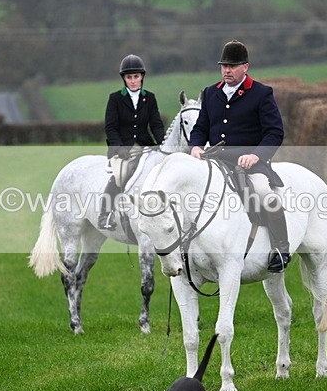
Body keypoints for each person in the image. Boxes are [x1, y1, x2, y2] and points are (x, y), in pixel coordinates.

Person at [188, 40, 290, 272]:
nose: (227, 70)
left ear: (245, 67)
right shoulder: (210, 93)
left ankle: (281, 249)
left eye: (232, 66)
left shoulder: (261, 93)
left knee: (265, 193)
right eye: (224, 66)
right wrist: (195, 147)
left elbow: (275, 133)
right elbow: (200, 129)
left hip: (250, 164)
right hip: (216, 162)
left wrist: (256, 155)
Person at [99, 54, 165, 230]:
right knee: (120, 174)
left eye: (136, 76)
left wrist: (163, 143)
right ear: (124, 79)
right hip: (122, 148)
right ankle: (105, 214)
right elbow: (110, 127)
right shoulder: (115, 98)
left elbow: (156, 124)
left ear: (142, 76)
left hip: (145, 146)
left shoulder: (149, 98)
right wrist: (119, 148)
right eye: (129, 77)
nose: (133, 81)